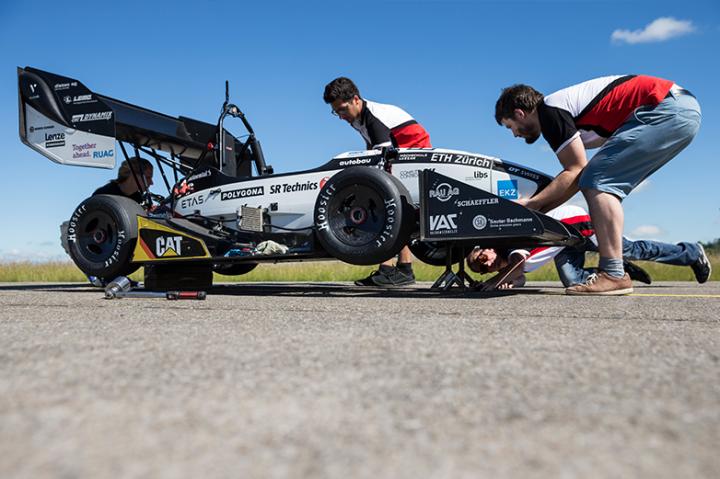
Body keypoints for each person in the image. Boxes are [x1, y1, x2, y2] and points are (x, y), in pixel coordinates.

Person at [494, 75, 702, 295]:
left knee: (598, 182)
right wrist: (540, 210)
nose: (515, 134)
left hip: (665, 107)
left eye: (510, 126)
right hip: (680, 110)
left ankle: (613, 274)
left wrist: (534, 204)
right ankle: (622, 268)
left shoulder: (549, 110)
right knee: (595, 180)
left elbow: (575, 170)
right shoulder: (560, 114)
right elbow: (577, 178)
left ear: (520, 113)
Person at [324, 77, 431, 287]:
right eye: (336, 112)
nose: (341, 116)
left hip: (414, 155)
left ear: (356, 99)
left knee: (384, 204)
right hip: (401, 155)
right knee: (389, 204)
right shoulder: (359, 118)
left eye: (343, 109)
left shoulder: (374, 118)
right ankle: (402, 269)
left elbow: (380, 161)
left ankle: (389, 268)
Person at [466, 204, 712, 291]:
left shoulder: (509, 247)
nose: (485, 263)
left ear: (488, 247)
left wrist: (497, 280)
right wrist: (503, 282)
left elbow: (518, 264)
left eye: (480, 257)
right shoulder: (509, 265)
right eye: (481, 268)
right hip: (564, 245)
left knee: (629, 248)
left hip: (574, 226)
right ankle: (619, 270)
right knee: (573, 282)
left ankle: (691, 252)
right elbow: (518, 279)